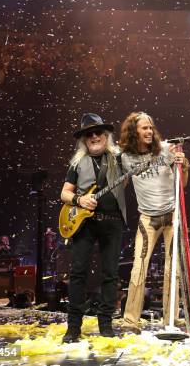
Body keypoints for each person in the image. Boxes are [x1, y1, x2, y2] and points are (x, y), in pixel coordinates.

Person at [118, 111, 189, 333]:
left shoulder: (167, 149)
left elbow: (183, 184)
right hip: (147, 219)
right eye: (144, 128)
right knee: (139, 267)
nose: (149, 131)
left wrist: (183, 165)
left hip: (171, 215)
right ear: (133, 132)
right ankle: (131, 320)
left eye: (151, 127)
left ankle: (171, 319)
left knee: (173, 269)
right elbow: (122, 186)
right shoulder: (125, 157)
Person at [60, 113, 127, 342]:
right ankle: (73, 327)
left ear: (106, 136)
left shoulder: (119, 159)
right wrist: (79, 201)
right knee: (78, 273)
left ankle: (105, 325)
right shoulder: (77, 163)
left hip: (112, 221)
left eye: (99, 132)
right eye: (89, 134)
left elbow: (140, 163)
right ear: (84, 139)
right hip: (84, 223)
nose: (95, 136)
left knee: (110, 274)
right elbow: (64, 193)